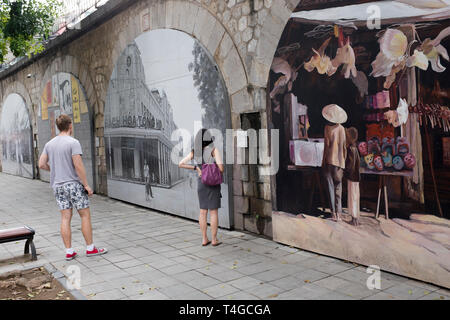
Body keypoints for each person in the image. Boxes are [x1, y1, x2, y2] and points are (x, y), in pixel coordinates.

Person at [38, 114, 107, 261]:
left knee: (65, 218)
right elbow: (78, 165)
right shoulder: (73, 142)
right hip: (73, 185)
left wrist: (55, 169)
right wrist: (86, 185)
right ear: (70, 126)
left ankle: (69, 251)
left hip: (58, 186)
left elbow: (41, 164)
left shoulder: (49, 144)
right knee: (84, 215)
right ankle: (90, 248)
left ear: (58, 127)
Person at [179, 129, 224, 246]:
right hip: (213, 184)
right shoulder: (213, 150)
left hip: (202, 183)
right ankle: (214, 240)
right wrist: (212, 167)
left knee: (203, 212)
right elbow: (221, 169)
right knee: (213, 212)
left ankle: (204, 239)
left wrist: (197, 168)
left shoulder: (195, 152)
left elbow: (181, 163)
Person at [321, 104, 347, 221]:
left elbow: (326, 146)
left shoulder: (327, 128)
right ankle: (339, 214)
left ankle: (333, 214)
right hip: (340, 162)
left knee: (330, 187)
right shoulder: (342, 129)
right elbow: (344, 148)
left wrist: (323, 161)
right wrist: (343, 161)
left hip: (330, 160)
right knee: (338, 188)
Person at [344, 127, 361, 226]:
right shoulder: (355, 148)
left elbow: (350, 164)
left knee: (353, 196)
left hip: (352, 176)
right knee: (355, 196)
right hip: (356, 176)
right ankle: (355, 217)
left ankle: (354, 218)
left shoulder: (351, 149)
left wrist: (345, 170)